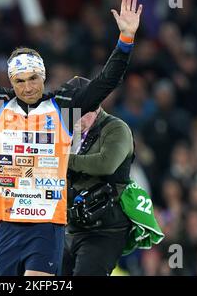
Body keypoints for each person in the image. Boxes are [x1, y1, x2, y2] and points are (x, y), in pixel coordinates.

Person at [0, 0, 142, 276]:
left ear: (43, 76)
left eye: (33, 79)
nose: (27, 87)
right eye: (20, 81)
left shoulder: (64, 106)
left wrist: (125, 40)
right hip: (7, 223)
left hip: (46, 225)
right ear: (11, 81)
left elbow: (106, 82)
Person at [62, 76, 134, 276]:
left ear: (95, 106)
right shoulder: (67, 132)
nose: (73, 119)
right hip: (71, 226)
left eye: (79, 112)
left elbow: (106, 164)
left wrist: (61, 158)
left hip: (105, 230)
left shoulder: (116, 128)